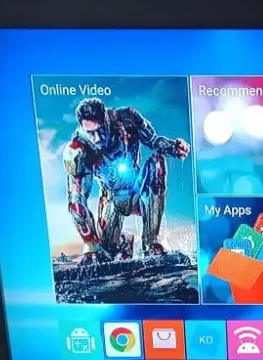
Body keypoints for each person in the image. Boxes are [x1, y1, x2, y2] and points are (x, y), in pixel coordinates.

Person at [64, 98, 191, 261]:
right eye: (90, 133)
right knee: (107, 252)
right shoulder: (78, 150)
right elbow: (76, 200)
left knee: (157, 164)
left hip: (138, 187)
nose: (97, 138)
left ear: (106, 120)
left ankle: (152, 242)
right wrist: (91, 245)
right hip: (111, 196)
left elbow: (153, 141)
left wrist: (173, 147)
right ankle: (124, 242)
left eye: (100, 131)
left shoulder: (127, 118)